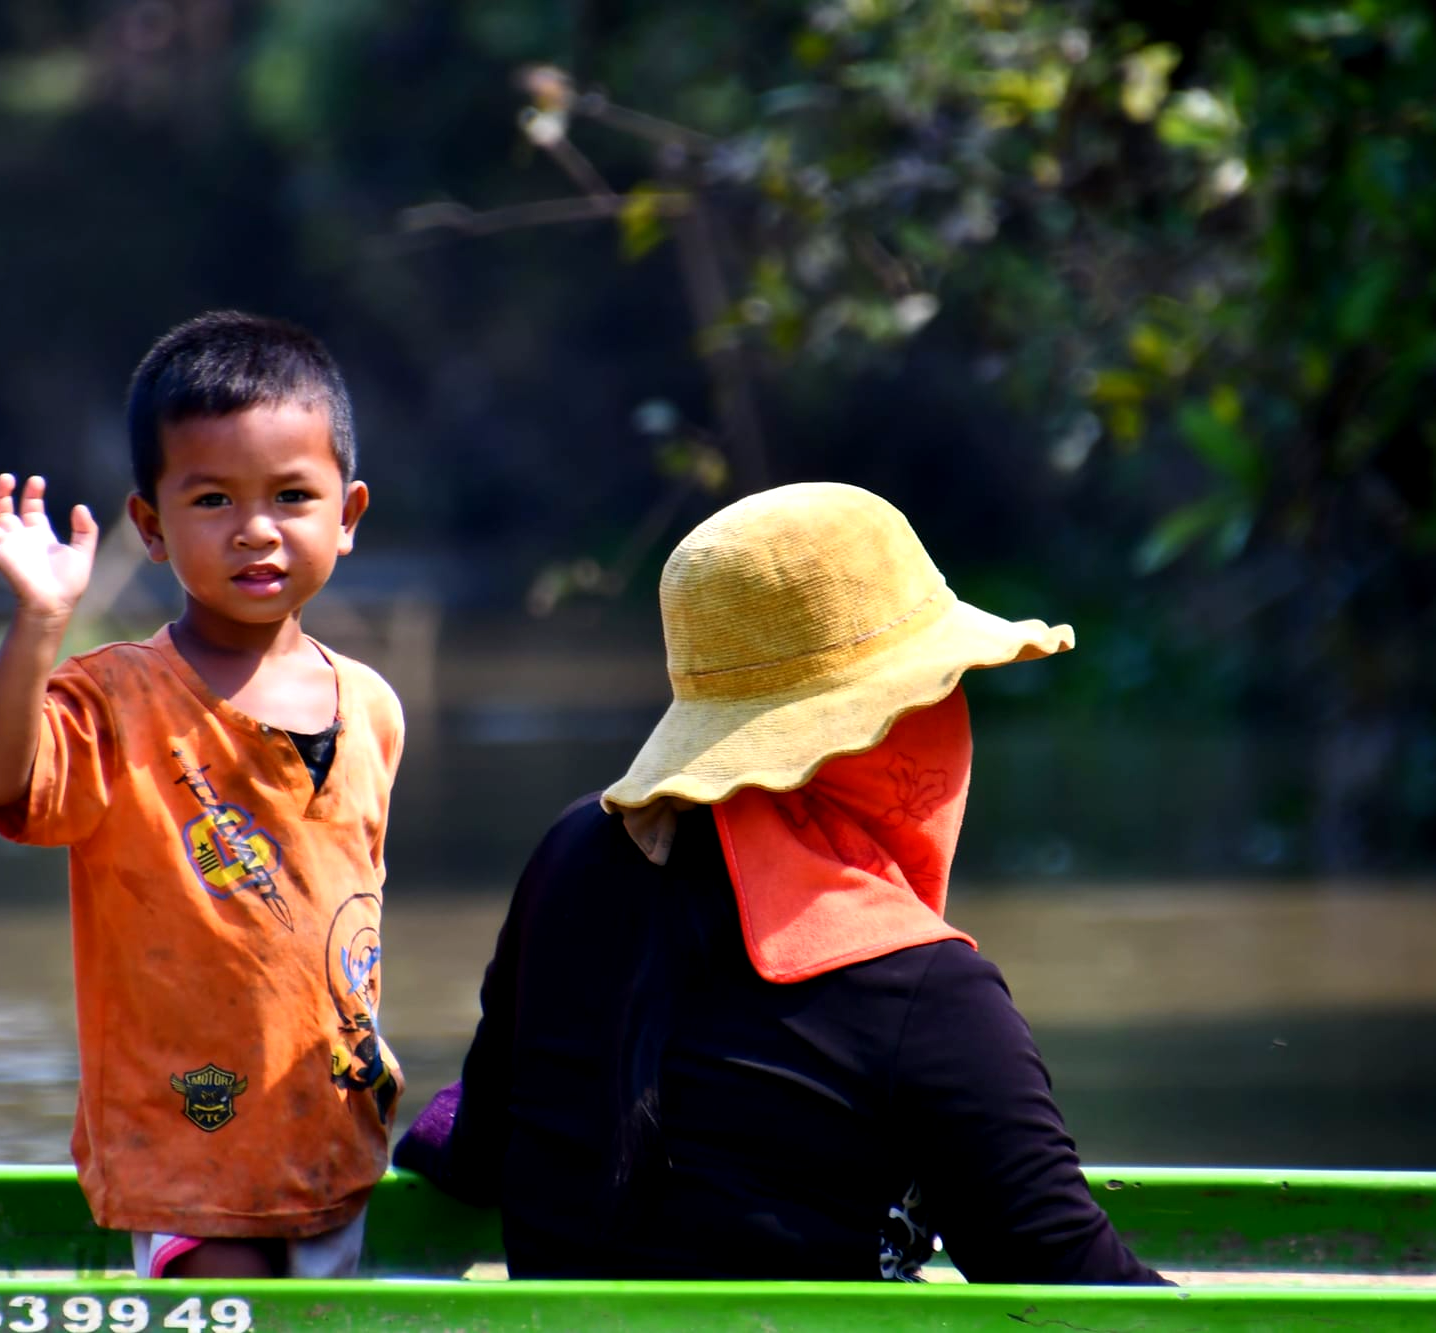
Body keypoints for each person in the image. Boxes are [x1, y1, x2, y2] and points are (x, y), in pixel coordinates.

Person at [397, 482, 1167, 1284]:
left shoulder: (571, 853)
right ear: (889, 730)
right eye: (945, 685)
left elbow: (481, 1145)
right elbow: (1089, 1300)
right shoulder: (932, 995)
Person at [0, 311, 405, 1279]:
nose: (255, 529)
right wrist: (40, 620)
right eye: (212, 499)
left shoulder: (370, 705)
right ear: (152, 527)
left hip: (331, 1124)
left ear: (348, 515)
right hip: (188, 1139)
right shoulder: (115, 700)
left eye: (292, 495)